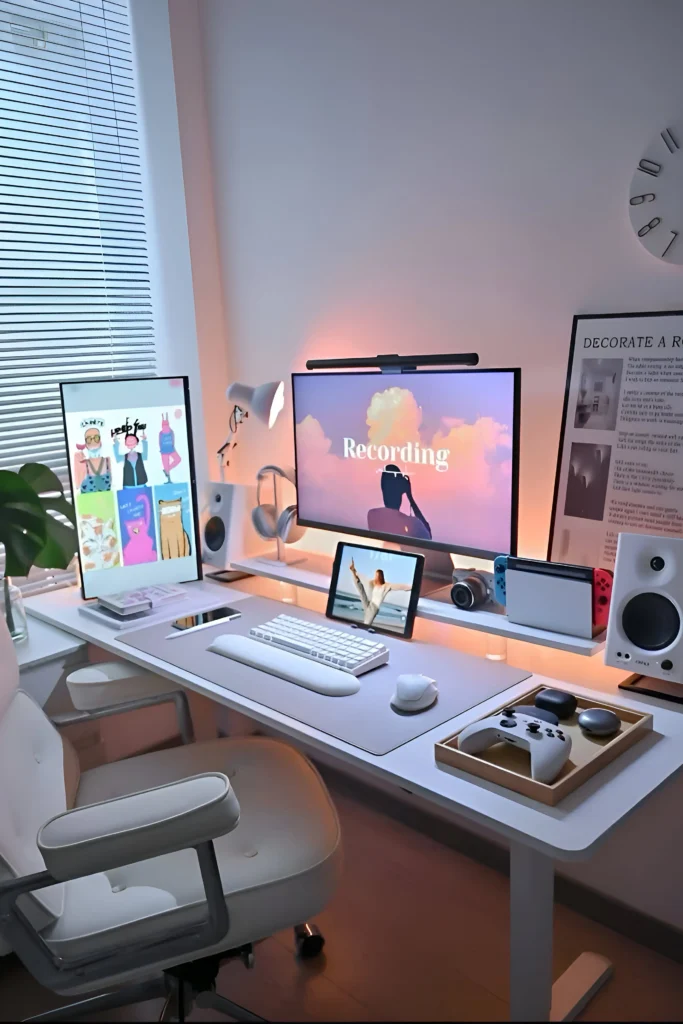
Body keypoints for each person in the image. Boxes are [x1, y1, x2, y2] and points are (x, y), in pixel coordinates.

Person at [367, 464, 432, 540]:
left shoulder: (373, 515)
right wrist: (410, 497)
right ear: (401, 490)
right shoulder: (412, 523)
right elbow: (428, 536)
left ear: (383, 488)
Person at [349, 556, 413, 626]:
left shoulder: (386, 586)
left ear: (380, 576)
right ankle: (352, 571)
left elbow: (398, 586)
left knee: (367, 623)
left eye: (377, 575)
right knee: (361, 591)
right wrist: (354, 571)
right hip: (369, 603)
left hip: (374, 607)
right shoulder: (373, 583)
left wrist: (409, 587)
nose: (375, 577)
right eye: (375, 575)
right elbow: (363, 579)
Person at [74, 427, 112, 493]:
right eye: (89, 439)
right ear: (85, 444)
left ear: (101, 441)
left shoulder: (108, 461)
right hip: (88, 502)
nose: (93, 442)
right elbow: (77, 485)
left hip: (106, 501)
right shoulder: (82, 463)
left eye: (96, 438)